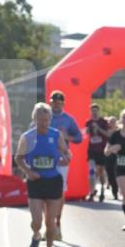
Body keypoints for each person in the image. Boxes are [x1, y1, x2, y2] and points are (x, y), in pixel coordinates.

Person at [16, 103, 71, 247]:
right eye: (41, 120)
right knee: (37, 221)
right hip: (36, 181)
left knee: (50, 222)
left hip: (53, 181)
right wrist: (28, 171)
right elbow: (18, 158)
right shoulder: (27, 137)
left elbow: (65, 151)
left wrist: (66, 157)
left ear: (50, 120)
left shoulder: (56, 135)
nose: (44, 123)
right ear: (34, 119)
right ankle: (36, 235)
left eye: (47, 120)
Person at [47, 91, 84, 239]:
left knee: (59, 193)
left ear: (63, 104)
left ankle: (57, 224)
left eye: (59, 103)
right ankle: (48, 225)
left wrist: (67, 136)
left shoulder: (68, 120)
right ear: (50, 102)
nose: (56, 105)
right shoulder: (43, 117)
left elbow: (79, 138)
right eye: (53, 102)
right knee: (45, 193)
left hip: (62, 159)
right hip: (45, 159)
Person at [85, 103, 111, 202]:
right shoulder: (88, 122)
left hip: (101, 150)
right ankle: (91, 192)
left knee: (101, 171)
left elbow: (108, 134)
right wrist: (87, 131)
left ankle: (102, 190)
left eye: (95, 111)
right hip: (92, 150)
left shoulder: (103, 122)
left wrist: (98, 129)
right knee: (91, 171)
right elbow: (86, 134)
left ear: (98, 111)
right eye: (92, 111)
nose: (94, 113)